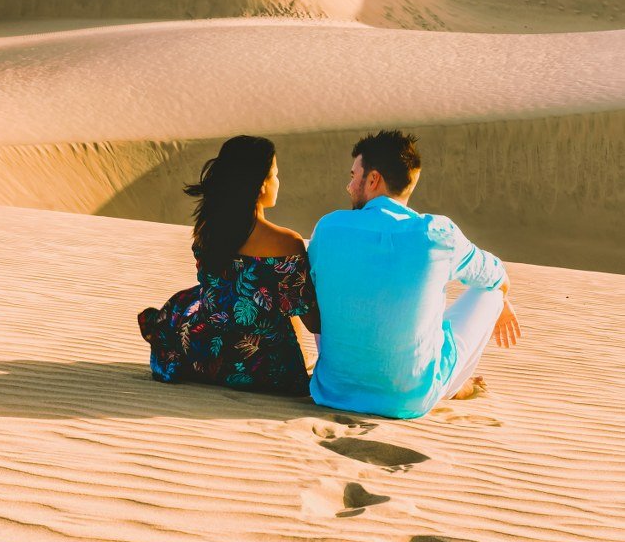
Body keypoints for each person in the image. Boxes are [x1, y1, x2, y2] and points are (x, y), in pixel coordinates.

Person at [308, 130, 521, 419]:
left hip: (333, 390)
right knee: (491, 293)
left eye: (353, 175)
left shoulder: (328, 228)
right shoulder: (437, 235)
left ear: (373, 180)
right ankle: (451, 386)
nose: (349, 185)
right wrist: (502, 299)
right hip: (408, 400)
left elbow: (311, 295)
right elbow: (497, 274)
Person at [138, 136, 320, 395]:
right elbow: (310, 320)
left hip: (209, 358)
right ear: (260, 185)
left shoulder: (207, 231)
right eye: (275, 175)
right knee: (284, 303)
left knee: (186, 302)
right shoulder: (287, 243)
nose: (279, 182)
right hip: (267, 370)